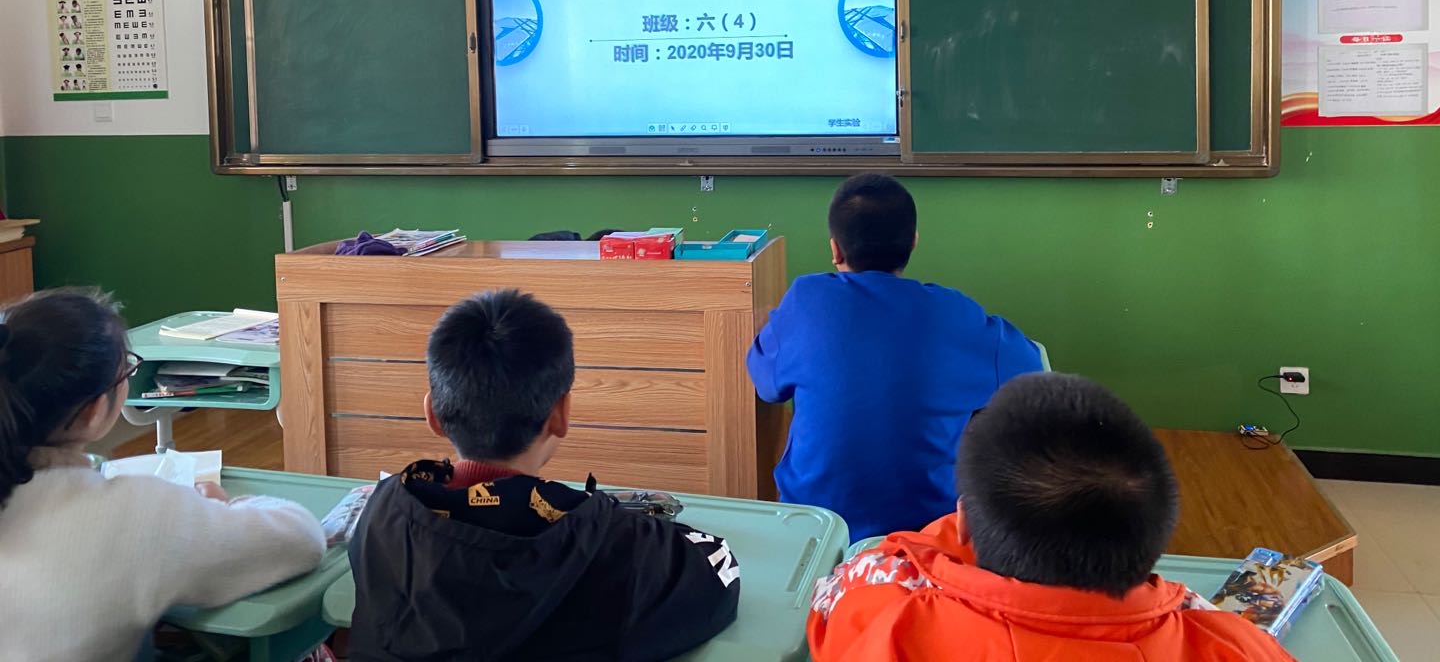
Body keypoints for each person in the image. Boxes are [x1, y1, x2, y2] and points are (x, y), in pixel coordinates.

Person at [348, 289, 741, 661]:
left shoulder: (382, 512)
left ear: (433, 414)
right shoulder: (613, 545)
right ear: (561, 414)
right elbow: (719, 573)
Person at [807, 373, 1298, 661]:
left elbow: (838, 597)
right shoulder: (1233, 645)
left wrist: (949, 544)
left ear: (965, 522)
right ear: (1157, 534)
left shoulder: (892, 622)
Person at [0, 288, 326, 662]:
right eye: (128, 370)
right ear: (93, 412)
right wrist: (228, 504)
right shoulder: (135, 512)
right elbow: (302, 540)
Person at [747, 173, 1041, 539]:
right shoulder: (954, 312)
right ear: (913, 241)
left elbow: (766, 385)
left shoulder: (805, 301)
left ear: (835, 249)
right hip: (925, 536)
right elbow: (1030, 366)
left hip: (814, 529)